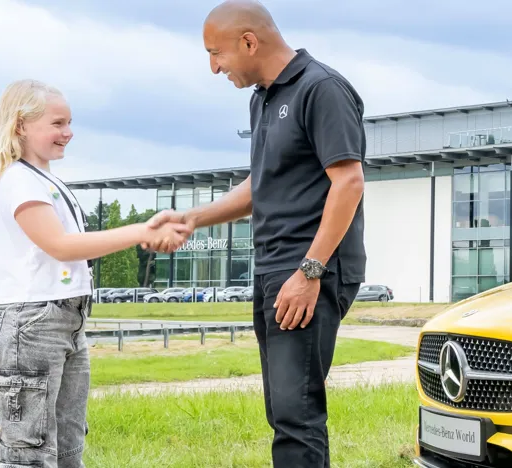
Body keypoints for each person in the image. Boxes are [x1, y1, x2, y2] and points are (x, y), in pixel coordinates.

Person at [151, 1, 367, 465]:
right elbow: (258, 186)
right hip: (274, 268)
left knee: (296, 412)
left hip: (310, 270)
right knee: (284, 408)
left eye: (216, 53)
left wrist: (310, 271)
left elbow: (348, 181)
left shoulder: (321, 89)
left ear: (249, 41)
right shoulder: (262, 98)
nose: (213, 68)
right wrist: (192, 218)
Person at [0, 79, 191, 468]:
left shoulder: (45, 180)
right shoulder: (20, 181)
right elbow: (61, 246)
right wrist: (141, 231)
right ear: (21, 125)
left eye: (69, 123)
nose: (68, 133)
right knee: (29, 454)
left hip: (65, 320)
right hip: (31, 324)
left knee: (68, 446)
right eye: (57, 123)